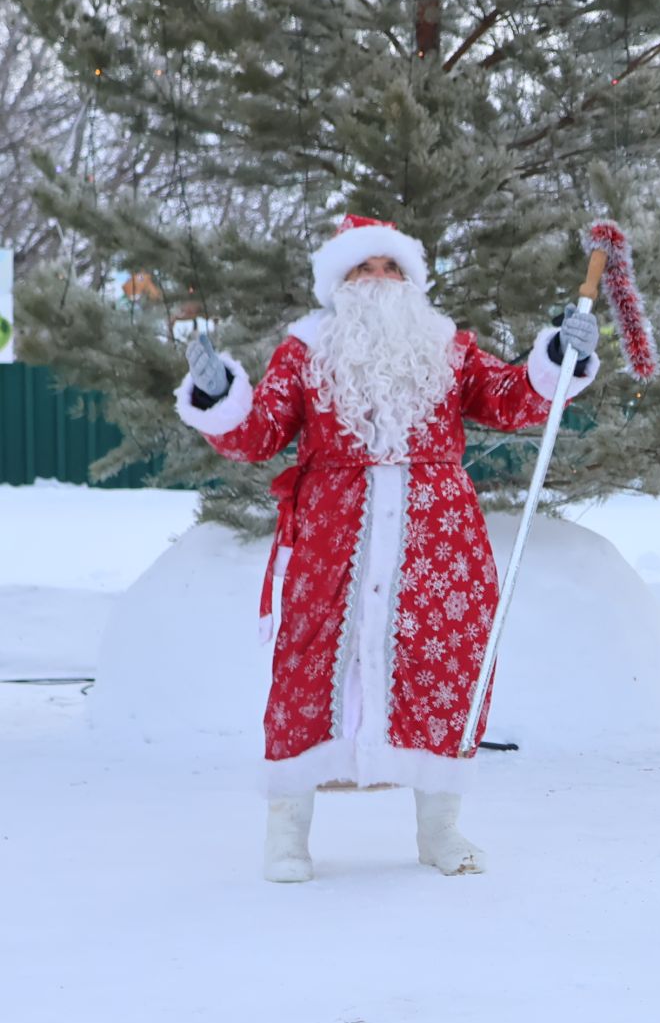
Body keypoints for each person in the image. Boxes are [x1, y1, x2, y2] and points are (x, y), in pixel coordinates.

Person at [175, 215, 600, 882]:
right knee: (306, 673)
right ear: (337, 283)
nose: (378, 281)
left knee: (443, 672)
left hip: (440, 545)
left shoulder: (447, 347)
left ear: (412, 280)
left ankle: (441, 831)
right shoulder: (304, 352)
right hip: (329, 542)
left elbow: (513, 399)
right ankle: (285, 834)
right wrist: (217, 394)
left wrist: (558, 359)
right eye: (362, 269)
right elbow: (254, 436)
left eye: (391, 268)